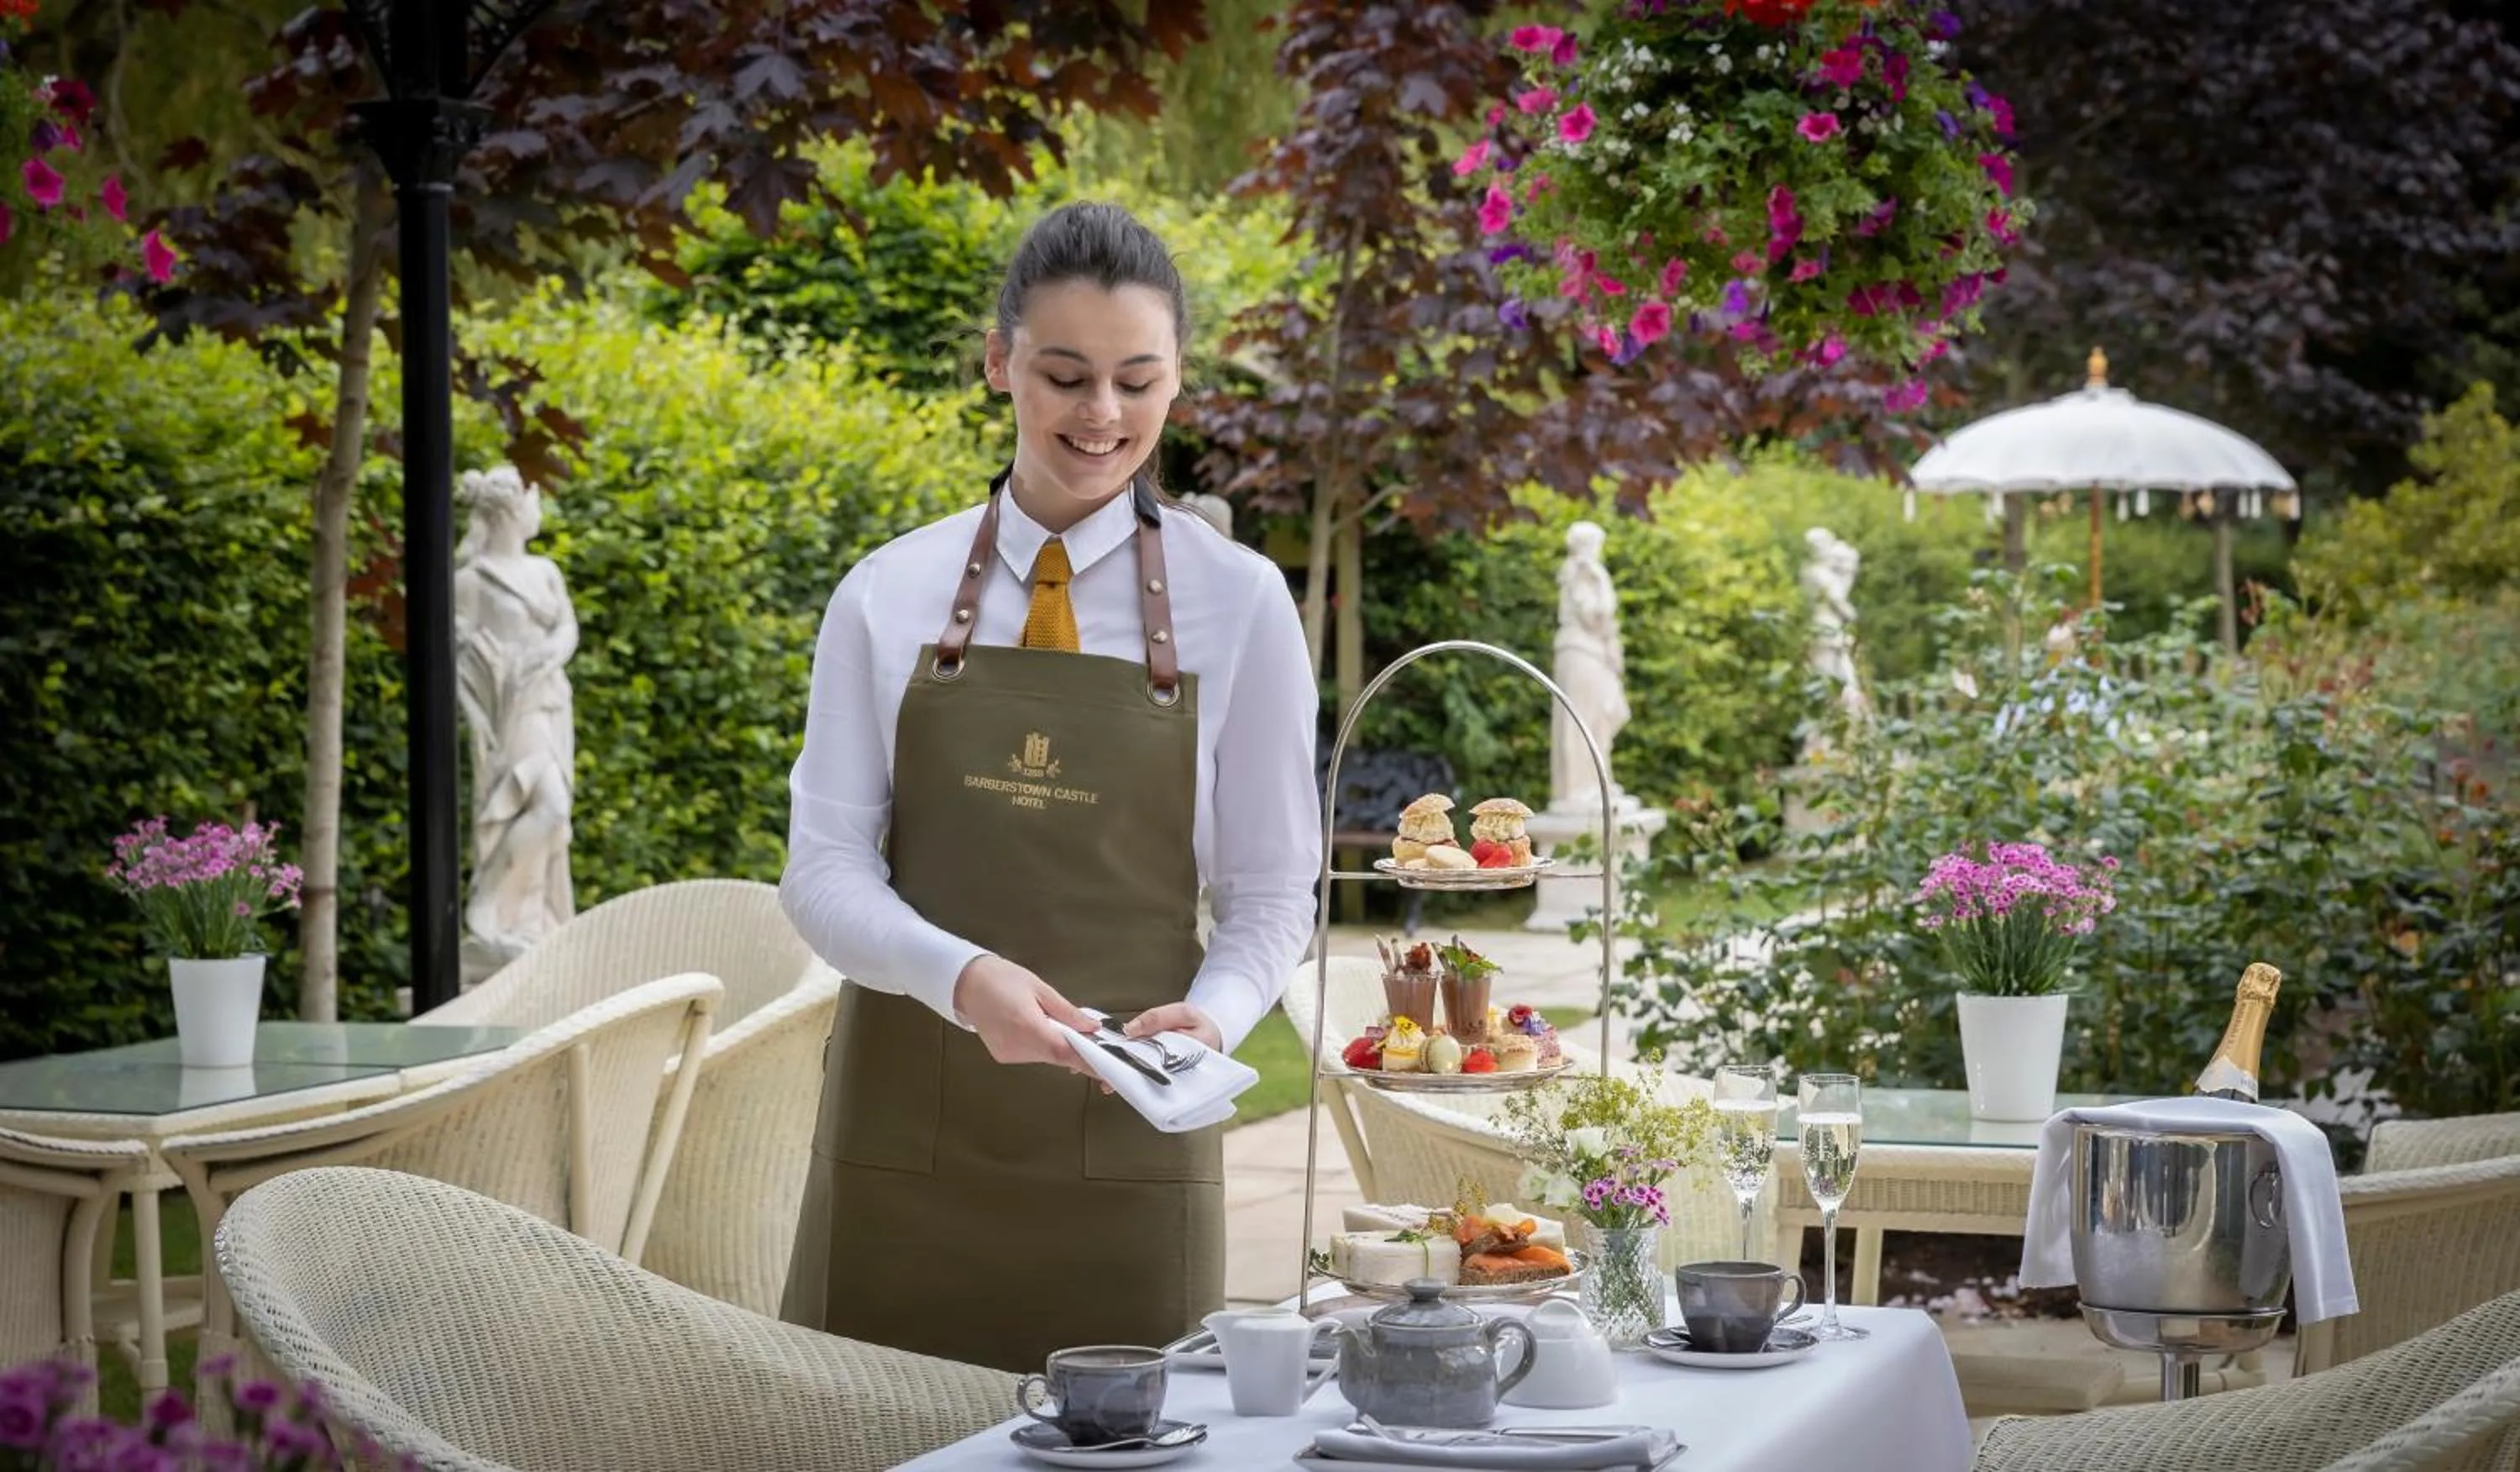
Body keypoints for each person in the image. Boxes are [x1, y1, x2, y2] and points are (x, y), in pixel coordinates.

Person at [777, 202, 1321, 1373]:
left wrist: (1213, 1020)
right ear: (997, 363)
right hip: (902, 1147)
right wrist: (961, 978)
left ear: (1178, 381)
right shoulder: (884, 594)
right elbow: (821, 874)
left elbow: (1275, 893)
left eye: (1138, 379)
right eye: (1066, 375)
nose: (1103, 416)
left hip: (1134, 1148)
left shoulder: (1244, 604)